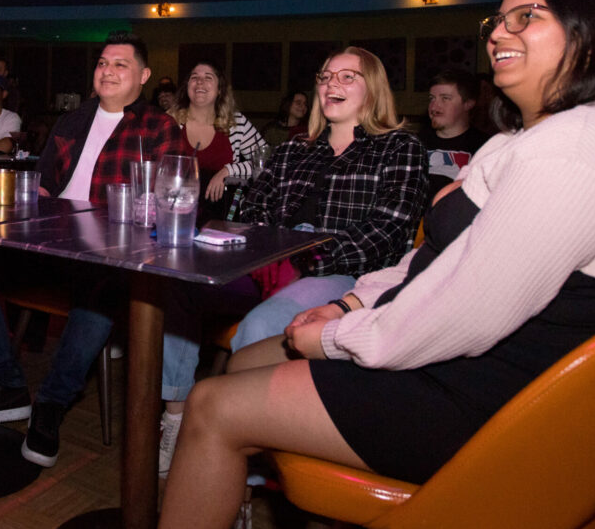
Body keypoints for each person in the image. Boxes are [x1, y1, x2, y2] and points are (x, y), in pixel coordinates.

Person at [152, 0, 595, 529]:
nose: (499, 32)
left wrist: (343, 333)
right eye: (497, 21)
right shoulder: (536, 140)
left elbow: (467, 312)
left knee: (214, 404)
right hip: (451, 357)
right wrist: (349, 303)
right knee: (245, 359)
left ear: (592, 32)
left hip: (492, 405)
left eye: (526, 17)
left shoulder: (583, 148)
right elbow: (430, 258)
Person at [156, 48, 426, 476]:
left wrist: (308, 257)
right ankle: (175, 414)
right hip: (270, 260)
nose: (331, 84)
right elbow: (252, 213)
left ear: (373, 91)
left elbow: (388, 231)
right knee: (178, 284)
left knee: (266, 327)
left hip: (342, 272)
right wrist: (262, 250)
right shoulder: (293, 151)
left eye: (347, 77)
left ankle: (244, 469)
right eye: (326, 76)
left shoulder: (399, 148)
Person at [0, 31, 185, 468]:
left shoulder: (158, 128)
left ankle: (50, 404)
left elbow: (171, 202)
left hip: (111, 253)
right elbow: (43, 185)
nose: (107, 70)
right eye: (103, 63)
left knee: (100, 295)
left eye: (120, 64)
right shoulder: (71, 121)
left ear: (143, 76)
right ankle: (9, 384)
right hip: (51, 242)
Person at [169, 61, 269, 222]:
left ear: (219, 90)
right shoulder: (170, 122)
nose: (200, 82)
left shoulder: (237, 123)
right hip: (176, 215)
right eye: (194, 77)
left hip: (224, 219)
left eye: (208, 77)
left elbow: (267, 162)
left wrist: (228, 171)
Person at [421, 68, 489, 208]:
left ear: (468, 104)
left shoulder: (485, 147)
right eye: (432, 99)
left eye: (445, 98)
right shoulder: (414, 143)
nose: (434, 106)